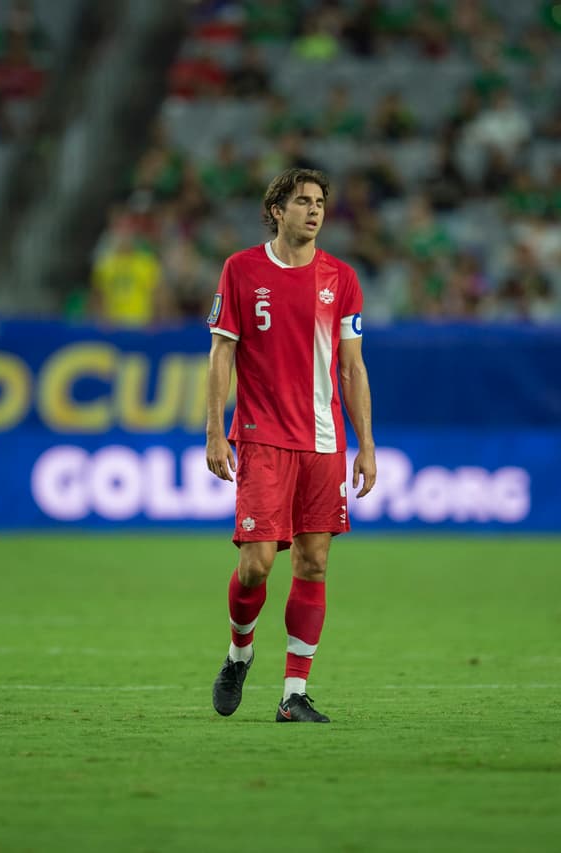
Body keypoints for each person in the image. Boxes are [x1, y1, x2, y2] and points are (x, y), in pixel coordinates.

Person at [205, 167, 376, 724]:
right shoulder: (241, 270)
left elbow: (351, 368)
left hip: (324, 443)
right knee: (255, 566)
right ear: (277, 209)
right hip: (261, 439)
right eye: (303, 201)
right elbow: (221, 354)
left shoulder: (341, 279)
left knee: (315, 562)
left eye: (321, 202)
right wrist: (213, 428)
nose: (314, 210)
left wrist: (367, 443)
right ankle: (239, 652)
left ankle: (293, 694)